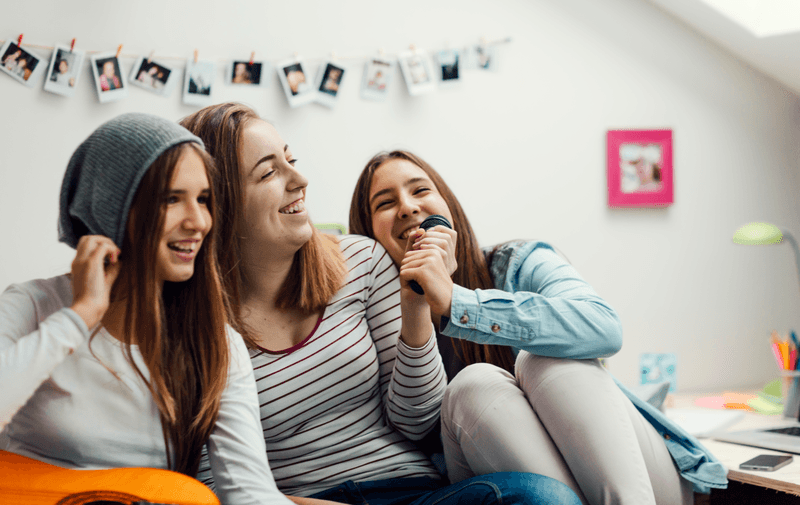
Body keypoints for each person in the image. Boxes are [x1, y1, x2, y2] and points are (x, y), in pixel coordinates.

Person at [180, 102, 582, 505]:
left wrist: (415, 309)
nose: (300, 179)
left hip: (412, 492)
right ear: (219, 204)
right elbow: (213, 485)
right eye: (269, 172)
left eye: (291, 160)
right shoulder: (192, 327)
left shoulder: (362, 261)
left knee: (537, 496)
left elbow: (417, 421)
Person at [348, 150, 728, 505]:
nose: (408, 207)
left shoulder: (516, 263)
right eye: (385, 203)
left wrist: (456, 302)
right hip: (520, 486)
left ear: (447, 204)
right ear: (368, 237)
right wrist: (415, 303)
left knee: (545, 357)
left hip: (639, 480)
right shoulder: (374, 323)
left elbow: (603, 327)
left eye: (420, 190)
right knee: (471, 385)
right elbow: (417, 428)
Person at [0, 113, 311, 505]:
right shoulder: (32, 306)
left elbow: (248, 491)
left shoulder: (218, 344)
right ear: (115, 208)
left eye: (203, 200)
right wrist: (80, 316)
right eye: (171, 199)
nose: (198, 221)